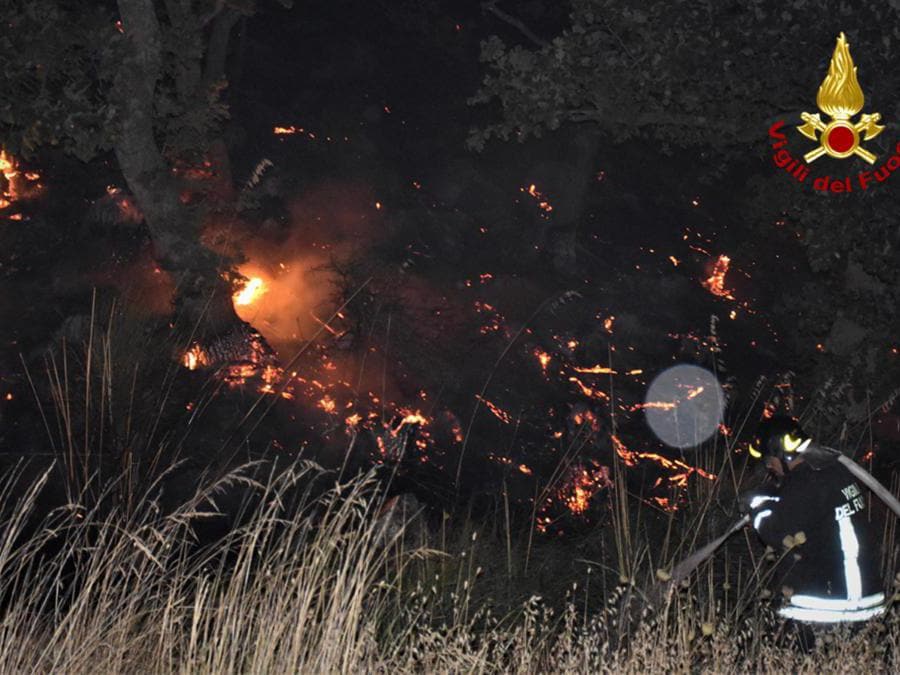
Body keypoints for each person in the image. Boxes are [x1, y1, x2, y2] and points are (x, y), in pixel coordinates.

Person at [739, 415, 886, 623]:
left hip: (830, 606)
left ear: (782, 454)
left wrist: (756, 507)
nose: (769, 467)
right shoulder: (835, 470)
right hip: (868, 598)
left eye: (768, 460)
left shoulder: (804, 484)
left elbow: (778, 533)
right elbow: (809, 509)